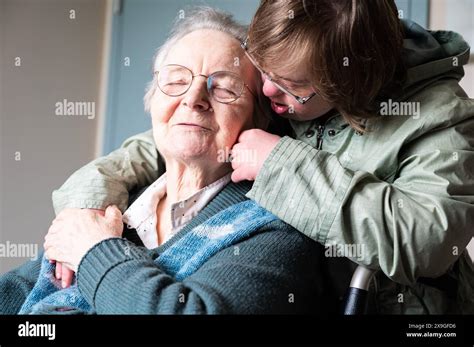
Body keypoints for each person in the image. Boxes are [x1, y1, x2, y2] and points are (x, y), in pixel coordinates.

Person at [51, 0, 474, 314]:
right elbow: (167, 142)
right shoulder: (283, 92)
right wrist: (84, 207)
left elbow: (429, 240)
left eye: (290, 86)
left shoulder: (439, 116)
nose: (267, 93)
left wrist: (280, 167)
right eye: (262, 71)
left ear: (349, 89)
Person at [0, 7, 328, 315]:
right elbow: (20, 289)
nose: (193, 99)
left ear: (259, 120)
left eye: (224, 88)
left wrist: (94, 251)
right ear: (152, 102)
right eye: (175, 82)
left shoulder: (273, 227)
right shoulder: (112, 203)